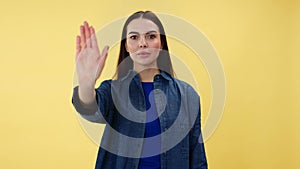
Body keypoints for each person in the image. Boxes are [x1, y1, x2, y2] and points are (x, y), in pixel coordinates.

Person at [72, 11, 208, 169]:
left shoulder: (187, 95)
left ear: (161, 43)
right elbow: (91, 109)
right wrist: (86, 85)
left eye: (151, 36)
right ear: (126, 46)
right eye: (134, 37)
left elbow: (197, 157)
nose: (142, 43)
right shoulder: (113, 91)